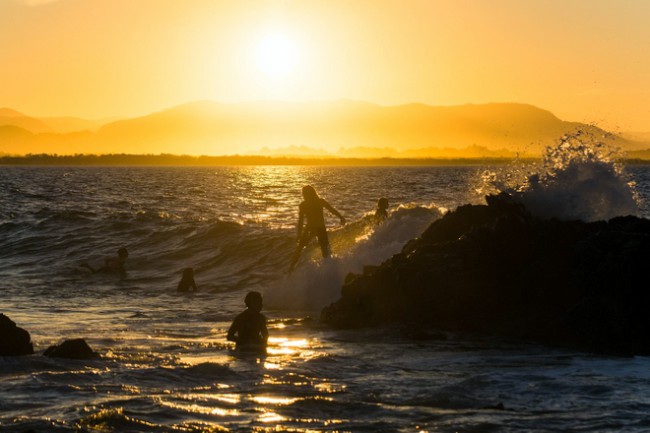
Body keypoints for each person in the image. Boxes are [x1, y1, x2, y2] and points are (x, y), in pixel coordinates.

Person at [289, 185, 346, 272]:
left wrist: (341, 217)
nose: (305, 195)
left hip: (315, 229)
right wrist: (299, 234)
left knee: (324, 250)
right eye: (304, 194)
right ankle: (291, 269)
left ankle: (291, 269)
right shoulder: (314, 203)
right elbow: (300, 221)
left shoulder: (311, 203)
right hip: (314, 229)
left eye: (305, 193)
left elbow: (331, 210)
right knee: (301, 249)